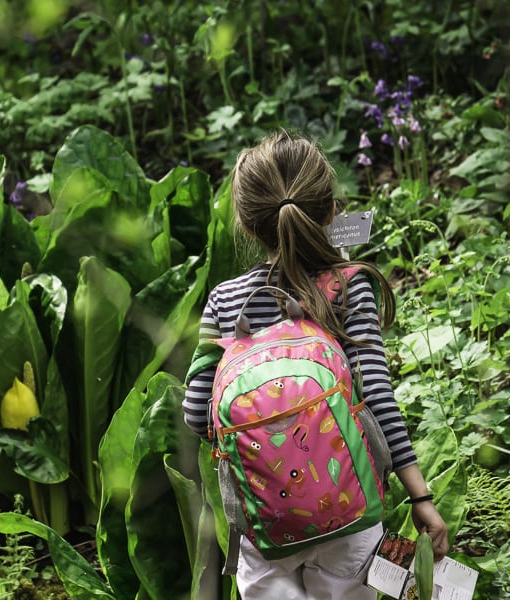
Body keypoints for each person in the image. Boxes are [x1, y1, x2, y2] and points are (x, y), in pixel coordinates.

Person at [182, 130, 448, 599]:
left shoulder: (223, 300)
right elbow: (380, 404)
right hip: (350, 512)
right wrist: (421, 498)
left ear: (247, 226)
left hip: (262, 520)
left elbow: (196, 414)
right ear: (331, 210)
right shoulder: (349, 286)